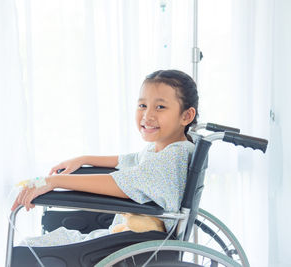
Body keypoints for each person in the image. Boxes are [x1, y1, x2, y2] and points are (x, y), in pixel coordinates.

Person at [11, 69, 198, 247]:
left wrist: (53, 181)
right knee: (38, 244)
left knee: (29, 250)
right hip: (121, 236)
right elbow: (128, 160)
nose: (147, 115)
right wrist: (84, 159)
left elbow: (122, 183)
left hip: (129, 246)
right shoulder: (165, 149)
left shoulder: (173, 158)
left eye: (160, 107)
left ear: (186, 115)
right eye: (142, 105)